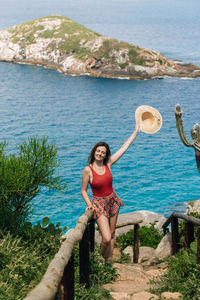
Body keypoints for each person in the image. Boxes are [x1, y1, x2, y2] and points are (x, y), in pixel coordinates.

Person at [81, 124, 140, 265]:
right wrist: (89, 205)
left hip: (112, 200)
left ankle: (108, 263)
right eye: (98, 151)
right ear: (94, 151)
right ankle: (99, 261)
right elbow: (83, 190)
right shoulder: (88, 170)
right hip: (98, 204)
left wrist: (136, 132)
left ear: (106, 155)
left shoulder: (108, 163)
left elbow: (124, 148)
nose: (100, 154)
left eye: (103, 152)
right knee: (106, 238)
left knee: (112, 234)